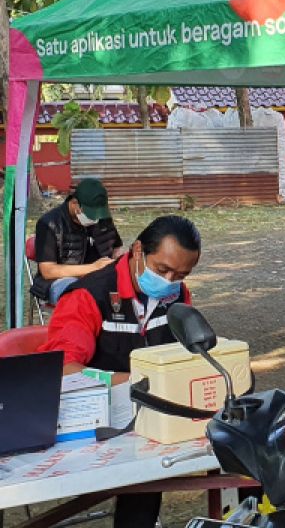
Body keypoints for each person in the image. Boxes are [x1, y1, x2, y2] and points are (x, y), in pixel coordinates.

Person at [39, 215, 202, 528]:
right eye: (162, 269)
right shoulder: (88, 296)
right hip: (91, 420)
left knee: (147, 482)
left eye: (181, 274)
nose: (169, 281)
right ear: (137, 250)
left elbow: (186, 353)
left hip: (150, 421)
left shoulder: (178, 296)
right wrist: (135, 381)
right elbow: (62, 370)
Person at [31, 178, 122, 306]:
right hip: (60, 281)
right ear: (74, 203)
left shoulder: (103, 218)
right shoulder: (49, 223)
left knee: (125, 292)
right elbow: (48, 271)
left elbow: (116, 249)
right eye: (90, 215)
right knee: (82, 296)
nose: (95, 219)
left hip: (98, 277)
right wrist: (93, 268)